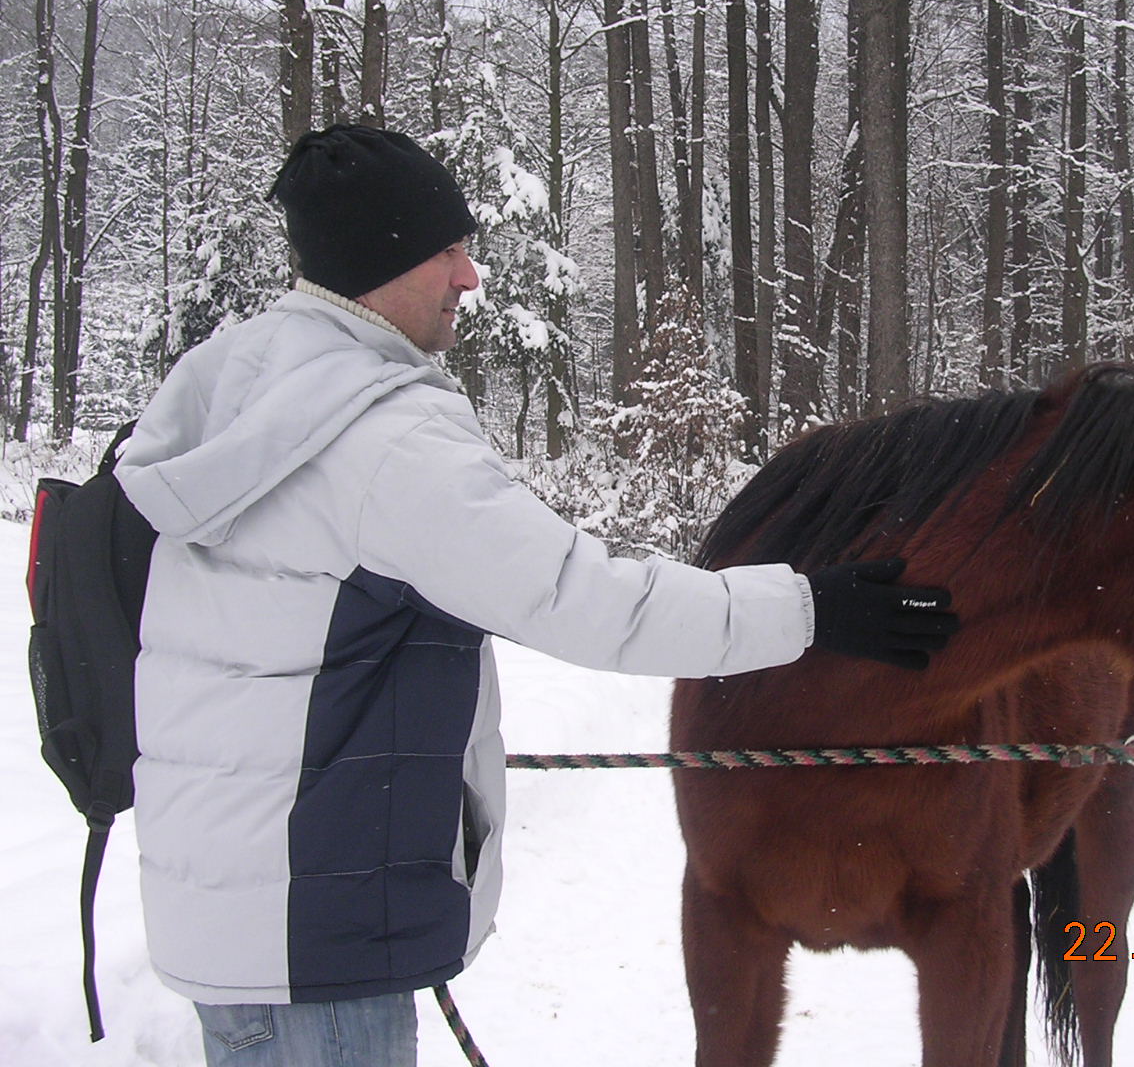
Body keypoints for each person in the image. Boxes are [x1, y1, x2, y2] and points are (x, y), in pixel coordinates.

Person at [114, 125, 959, 1066]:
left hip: (242, 908)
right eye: (449, 250)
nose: (469, 277)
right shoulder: (378, 442)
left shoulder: (243, 390)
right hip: (311, 930)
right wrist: (810, 611)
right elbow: (586, 598)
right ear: (381, 265)